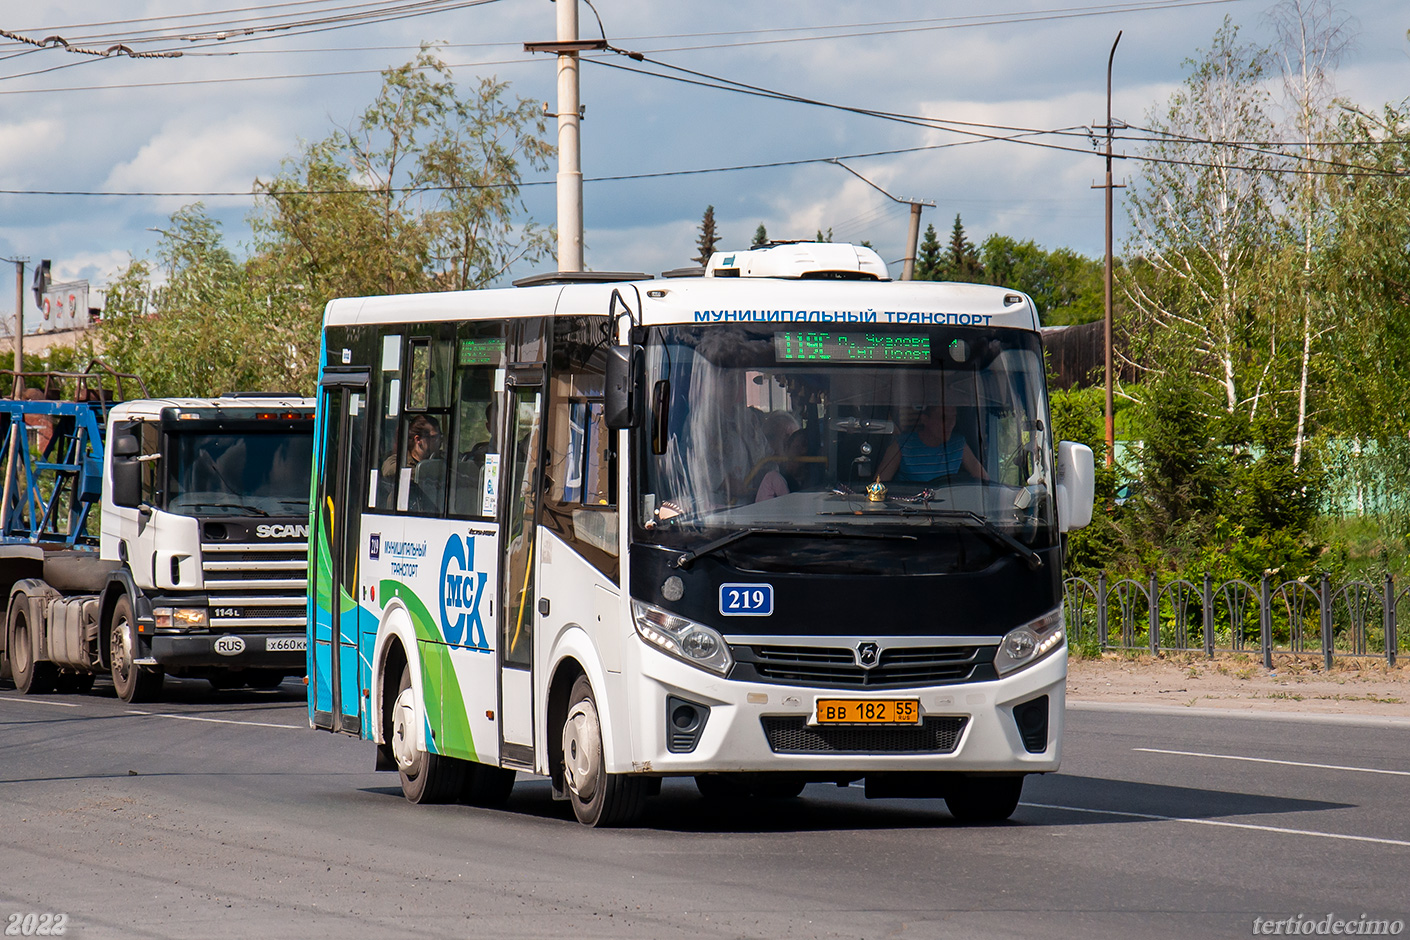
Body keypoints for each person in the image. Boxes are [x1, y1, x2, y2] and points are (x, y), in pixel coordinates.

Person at [877, 402, 987, 483]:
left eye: (953, 418)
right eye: (943, 418)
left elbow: (985, 482)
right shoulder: (902, 445)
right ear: (925, 419)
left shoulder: (959, 445)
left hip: (948, 510)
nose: (950, 424)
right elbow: (878, 485)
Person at [755, 429, 809, 501]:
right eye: (797, 447)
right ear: (786, 448)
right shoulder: (774, 477)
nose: (802, 453)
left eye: (808, 451)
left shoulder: (816, 481)